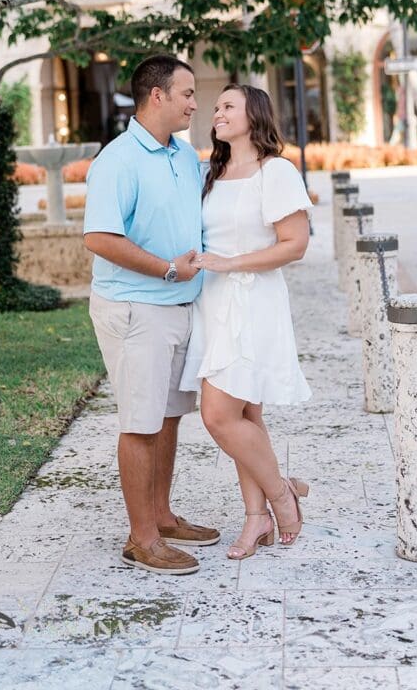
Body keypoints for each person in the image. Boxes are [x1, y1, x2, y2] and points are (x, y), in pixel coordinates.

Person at [83, 54, 220, 576]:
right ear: (156, 95)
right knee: (140, 423)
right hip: (136, 308)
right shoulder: (117, 160)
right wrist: (166, 269)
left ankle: (161, 517)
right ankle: (141, 538)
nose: (194, 102)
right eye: (186, 93)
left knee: (166, 417)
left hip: (179, 306)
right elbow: (99, 237)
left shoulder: (184, 156)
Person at [180, 84, 312, 560]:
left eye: (227, 106)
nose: (216, 113)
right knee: (245, 416)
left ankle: (280, 496)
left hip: (253, 302)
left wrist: (230, 264)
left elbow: (295, 244)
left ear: (255, 115)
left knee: (218, 415)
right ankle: (256, 517)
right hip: (213, 305)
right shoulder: (211, 172)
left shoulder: (275, 171)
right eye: (215, 108)